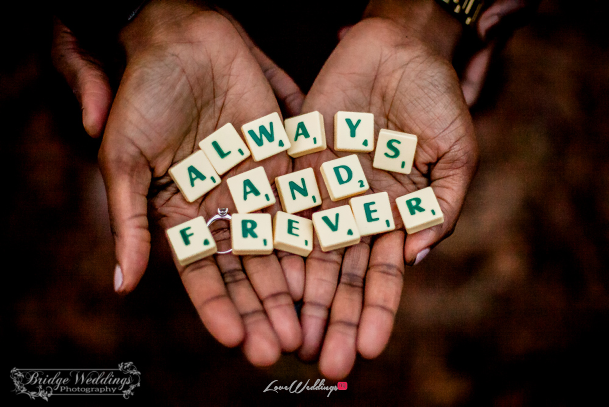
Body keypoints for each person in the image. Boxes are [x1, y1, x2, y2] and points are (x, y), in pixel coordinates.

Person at [52, 0, 539, 379]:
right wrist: (132, 15)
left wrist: (434, 15)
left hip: (359, 38)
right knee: (132, 128)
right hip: (191, 62)